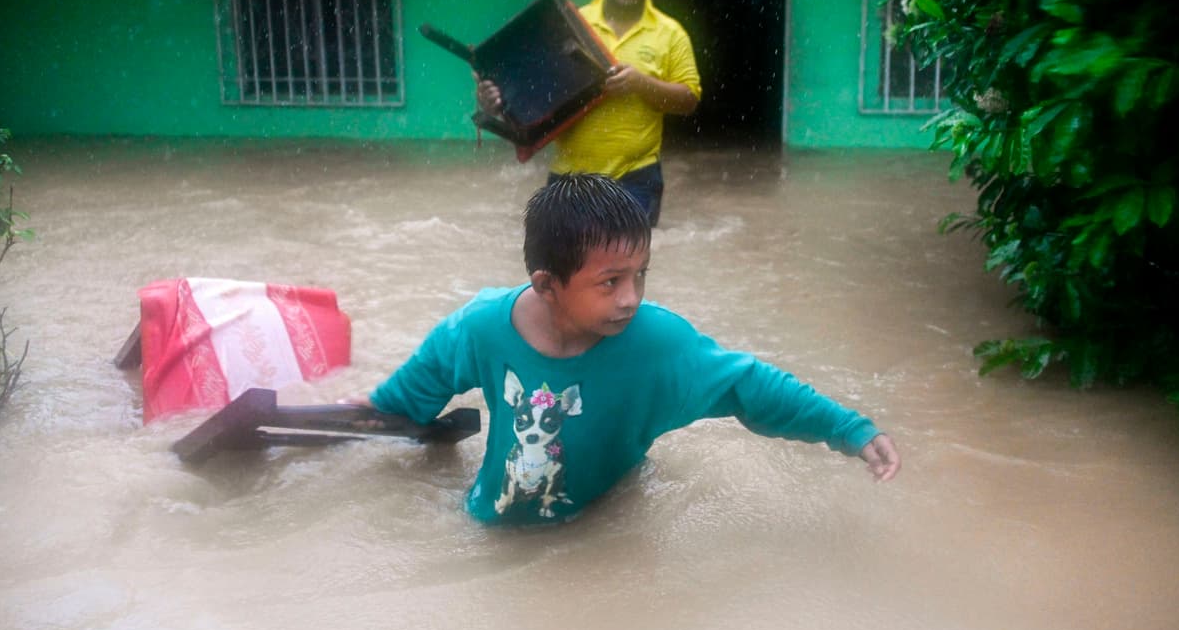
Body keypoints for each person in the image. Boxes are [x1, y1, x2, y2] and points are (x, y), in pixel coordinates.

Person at [362, 174, 901, 525]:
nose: (631, 299)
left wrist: (848, 430)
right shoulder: (480, 327)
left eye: (640, 275)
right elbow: (416, 389)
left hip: (604, 519)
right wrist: (368, 417)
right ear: (548, 285)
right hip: (490, 523)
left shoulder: (656, 343)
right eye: (611, 281)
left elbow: (749, 387)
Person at [476, 0, 702, 226]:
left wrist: (639, 83)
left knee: (626, 270)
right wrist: (495, 103)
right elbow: (533, 95)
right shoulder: (569, 23)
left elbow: (688, 100)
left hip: (635, 179)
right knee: (563, 270)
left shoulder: (671, 34)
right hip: (569, 179)